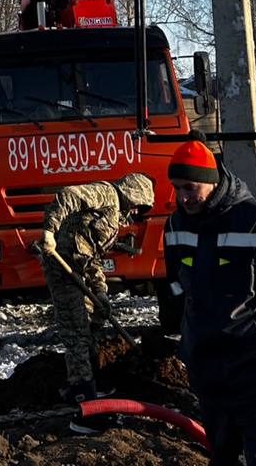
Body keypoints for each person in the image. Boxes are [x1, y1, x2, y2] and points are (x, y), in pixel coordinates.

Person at [163, 132, 256, 466]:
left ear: (212, 181)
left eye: (191, 187)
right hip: (210, 378)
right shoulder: (174, 225)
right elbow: (176, 287)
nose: (183, 197)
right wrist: (192, 339)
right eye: (177, 187)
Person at [38, 172, 155, 434]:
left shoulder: (113, 219)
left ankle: (91, 381)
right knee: (76, 333)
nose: (136, 211)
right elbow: (67, 195)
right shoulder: (105, 194)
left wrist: (101, 292)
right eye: (137, 204)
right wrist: (49, 231)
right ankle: (84, 411)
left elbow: (93, 257)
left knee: (93, 321)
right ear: (130, 194)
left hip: (79, 268)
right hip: (63, 268)